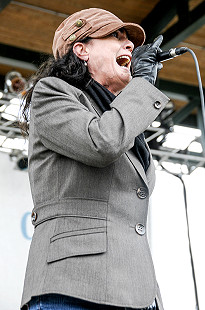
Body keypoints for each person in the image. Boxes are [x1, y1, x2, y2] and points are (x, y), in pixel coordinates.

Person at [20, 7, 170, 310]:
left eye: (128, 39)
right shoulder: (52, 94)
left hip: (135, 291)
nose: (129, 45)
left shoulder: (120, 116)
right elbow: (101, 143)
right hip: (72, 285)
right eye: (116, 36)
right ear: (81, 49)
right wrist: (143, 86)